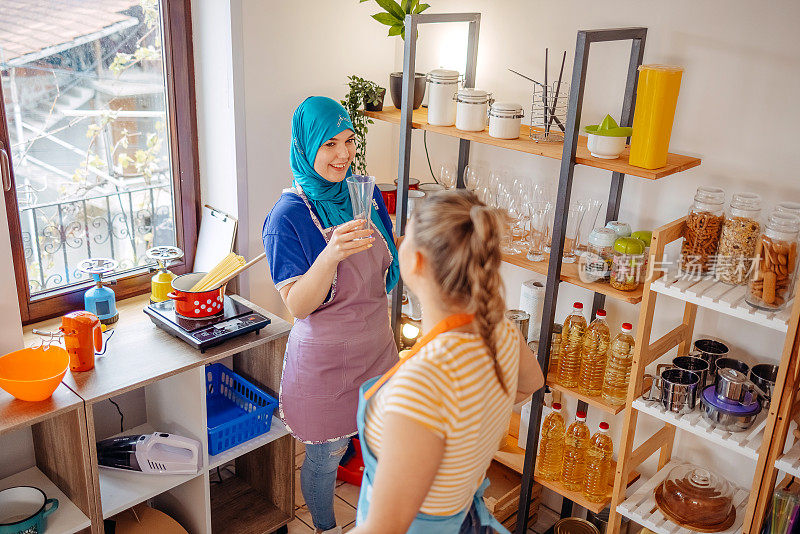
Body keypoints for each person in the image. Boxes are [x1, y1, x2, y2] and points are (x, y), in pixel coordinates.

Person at [351, 190, 544, 534]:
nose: (397, 240)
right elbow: (532, 384)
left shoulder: (423, 385)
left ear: (418, 262)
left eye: (405, 235)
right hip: (464, 517)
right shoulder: (501, 333)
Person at [262, 96, 400, 534]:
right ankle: (327, 528)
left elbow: (386, 267)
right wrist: (331, 255)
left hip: (377, 348)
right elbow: (298, 305)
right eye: (329, 145)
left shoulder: (366, 193)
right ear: (306, 147)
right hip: (327, 366)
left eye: (348, 141)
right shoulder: (285, 219)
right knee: (326, 457)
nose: (343, 155)